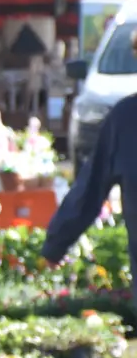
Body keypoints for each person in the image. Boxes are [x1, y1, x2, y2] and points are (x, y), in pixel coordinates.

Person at [43, 43, 137, 284]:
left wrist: (56, 244)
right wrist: (57, 243)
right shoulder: (125, 118)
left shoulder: (126, 118)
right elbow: (91, 185)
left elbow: (91, 186)